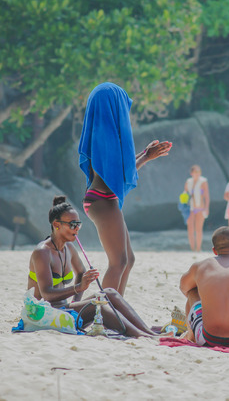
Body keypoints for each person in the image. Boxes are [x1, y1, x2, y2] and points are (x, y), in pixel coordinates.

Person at [78, 82, 172, 296]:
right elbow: (116, 175)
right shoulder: (105, 134)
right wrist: (146, 157)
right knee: (118, 262)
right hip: (103, 200)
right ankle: (106, 314)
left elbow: (116, 170)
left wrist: (145, 156)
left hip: (102, 199)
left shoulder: (102, 131)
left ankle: (115, 311)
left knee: (128, 260)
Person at [27, 196, 161, 337]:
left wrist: (76, 302)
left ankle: (147, 332)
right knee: (99, 305)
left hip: (63, 310)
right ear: (56, 224)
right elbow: (47, 294)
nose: (77, 228)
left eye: (79, 224)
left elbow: (81, 272)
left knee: (110, 292)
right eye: (72, 224)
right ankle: (141, 335)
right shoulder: (42, 252)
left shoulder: (69, 248)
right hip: (43, 314)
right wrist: (78, 288)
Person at [184, 165, 210, 251]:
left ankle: (198, 248)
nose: (197, 173)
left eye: (199, 172)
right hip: (190, 208)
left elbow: (206, 196)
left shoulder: (203, 181)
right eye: (196, 172)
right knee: (190, 229)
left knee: (198, 229)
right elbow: (185, 195)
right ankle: (192, 248)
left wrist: (207, 208)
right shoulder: (188, 182)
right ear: (192, 173)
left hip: (200, 208)